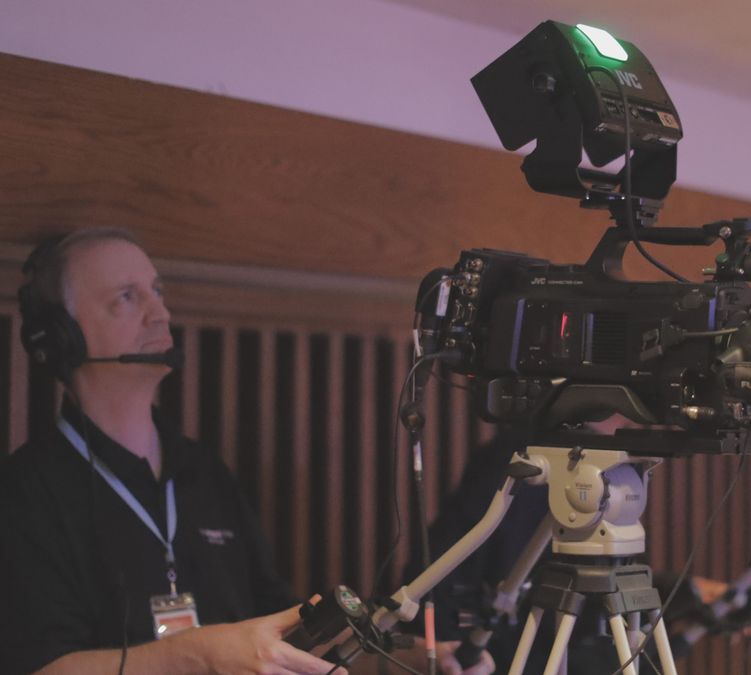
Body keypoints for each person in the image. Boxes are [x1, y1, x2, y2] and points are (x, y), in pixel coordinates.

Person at [0, 229, 492, 675]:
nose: (160, 313)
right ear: (60, 337)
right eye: (127, 298)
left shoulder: (203, 470)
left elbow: (280, 629)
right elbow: (42, 668)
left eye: (158, 291)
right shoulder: (26, 492)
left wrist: (406, 659)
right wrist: (200, 655)